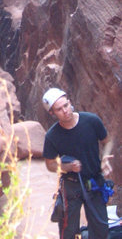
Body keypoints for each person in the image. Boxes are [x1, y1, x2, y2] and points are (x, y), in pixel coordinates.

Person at [42, 88, 113, 239]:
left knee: (101, 229)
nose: (65, 111)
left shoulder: (91, 121)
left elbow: (107, 141)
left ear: (70, 101)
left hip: (94, 181)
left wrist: (105, 157)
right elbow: (50, 164)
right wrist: (68, 167)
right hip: (71, 185)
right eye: (59, 109)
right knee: (68, 231)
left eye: (66, 105)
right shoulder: (52, 136)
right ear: (52, 113)